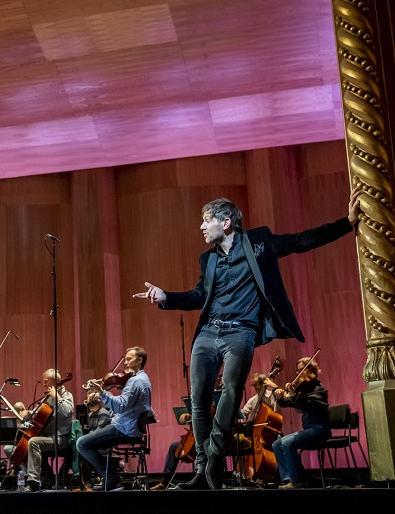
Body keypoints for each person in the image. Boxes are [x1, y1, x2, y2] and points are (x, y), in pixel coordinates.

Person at [134, 190, 360, 489]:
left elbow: (301, 241)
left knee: (231, 390)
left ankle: (212, 456)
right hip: (208, 332)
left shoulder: (259, 242)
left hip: (240, 331)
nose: (201, 227)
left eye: (206, 221)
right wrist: (166, 297)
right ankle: (204, 469)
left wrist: (347, 222)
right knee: (199, 401)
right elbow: (199, 296)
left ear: (226, 222)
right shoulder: (208, 259)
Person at [76, 346, 153, 492]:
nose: (125, 363)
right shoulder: (144, 379)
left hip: (124, 429)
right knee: (95, 435)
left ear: (140, 360)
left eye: (129, 359)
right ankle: (110, 476)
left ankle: (111, 477)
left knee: (82, 443)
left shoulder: (135, 382)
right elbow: (126, 406)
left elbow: (121, 406)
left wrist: (102, 393)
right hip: (130, 427)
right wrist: (102, 396)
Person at [268, 358, 329, 488]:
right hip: (308, 430)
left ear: (312, 370)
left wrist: (293, 394)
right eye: (298, 371)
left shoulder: (319, 389)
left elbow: (306, 403)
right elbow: (288, 403)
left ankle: (297, 481)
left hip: (320, 429)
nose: (300, 373)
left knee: (287, 442)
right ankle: (288, 478)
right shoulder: (303, 390)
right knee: (277, 444)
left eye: (303, 369)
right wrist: (278, 395)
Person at [13, 369, 74, 492]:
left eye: (46, 381)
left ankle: (33, 482)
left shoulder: (66, 395)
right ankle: (45, 476)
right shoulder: (47, 398)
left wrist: (56, 396)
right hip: (46, 437)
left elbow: (67, 411)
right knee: (13, 450)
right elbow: (39, 412)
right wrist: (27, 413)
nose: (44, 384)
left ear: (55, 381)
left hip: (60, 438)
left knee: (33, 442)